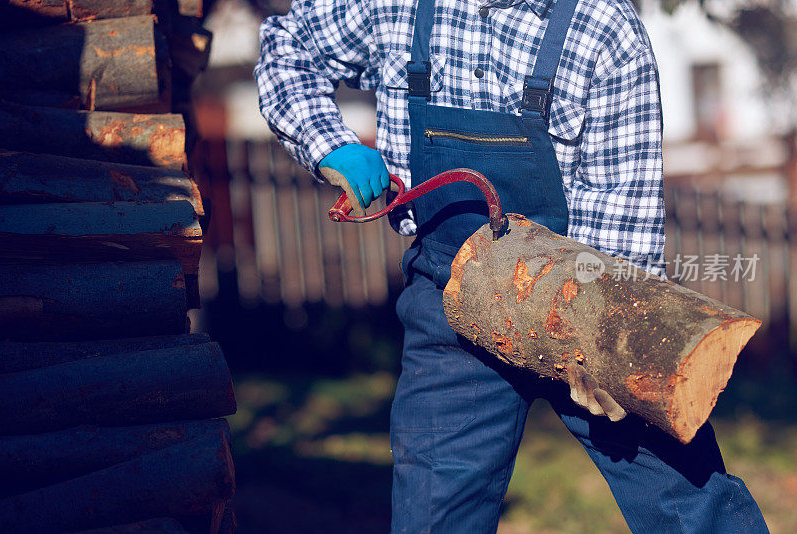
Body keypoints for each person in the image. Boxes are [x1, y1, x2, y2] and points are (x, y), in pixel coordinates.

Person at [255, 0, 769, 531]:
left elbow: (624, 234)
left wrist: (607, 350)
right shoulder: (396, 6)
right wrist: (329, 144)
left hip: (584, 310)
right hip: (451, 306)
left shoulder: (602, 30)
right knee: (436, 515)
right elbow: (288, 47)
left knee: (691, 505)